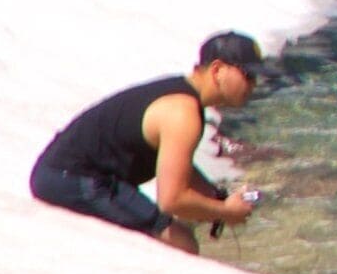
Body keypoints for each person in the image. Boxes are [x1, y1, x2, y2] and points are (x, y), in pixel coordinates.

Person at [29, 32, 264, 255]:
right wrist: (226, 212)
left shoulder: (182, 96)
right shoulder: (183, 113)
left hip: (67, 174)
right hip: (71, 179)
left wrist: (215, 197)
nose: (254, 84)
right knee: (184, 242)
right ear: (217, 70)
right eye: (248, 75)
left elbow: (175, 162)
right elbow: (172, 200)